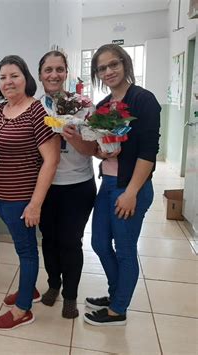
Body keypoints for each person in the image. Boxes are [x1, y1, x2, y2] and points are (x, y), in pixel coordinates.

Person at [0, 55, 61, 330]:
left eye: (14, 75)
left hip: (20, 198)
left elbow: (51, 160)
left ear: (26, 78)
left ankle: (23, 308)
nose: (8, 81)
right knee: (20, 247)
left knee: (26, 251)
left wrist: (35, 204)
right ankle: (31, 289)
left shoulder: (37, 112)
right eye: (3, 77)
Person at [84, 44, 160, 326]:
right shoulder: (104, 106)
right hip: (108, 184)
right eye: (102, 68)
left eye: (113, 64)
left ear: (125, 64)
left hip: (132, 187)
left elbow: (148, 152)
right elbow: (98, 148)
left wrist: (131, 193)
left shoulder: (143, 100)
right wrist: (101, 151)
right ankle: (117, 294)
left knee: (125, 248)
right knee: (99, 242)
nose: (108, 71)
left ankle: (118, 309)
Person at [37, 51, 97, 318]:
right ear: (40, 74)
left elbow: (93, 150)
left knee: (71, 242)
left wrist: (71, 136)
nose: (54, 75)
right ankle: (53, 286)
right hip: (45, 187)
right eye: (48, 69)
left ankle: (70, 296)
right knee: (49, 241)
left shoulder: (83, 105)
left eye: (59, 69)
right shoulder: (35, 107)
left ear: (66, 73)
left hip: (77, 185)